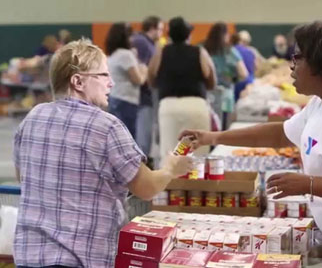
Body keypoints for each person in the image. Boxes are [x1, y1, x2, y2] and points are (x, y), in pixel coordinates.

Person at [180, 21, 322, 267]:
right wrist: (213, 137)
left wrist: (309, 184)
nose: (292, 66)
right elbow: (281, 134)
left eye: (298, 57)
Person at [13, 39, 192, 267]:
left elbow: (24, 178)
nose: (111, 83)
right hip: (80, 259)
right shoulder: (106, 127)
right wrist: (170, 169)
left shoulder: (32, 118)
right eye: (104, 76)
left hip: (30, 258)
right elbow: (146, 188)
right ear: (78, 81)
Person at [148, 16, 216, 162]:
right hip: (196, 105)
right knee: (198, 155)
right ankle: (198, 184)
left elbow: (151, 79)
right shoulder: (199, 52)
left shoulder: (161, 52)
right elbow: (212, 81)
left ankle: (169, 184)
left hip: (169, 106)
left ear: (169, 34)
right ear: (189, 34)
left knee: (170, 154)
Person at [106, 23, 148, 139]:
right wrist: (144, 69)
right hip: (126, 102)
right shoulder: (126, 55)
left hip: (115, 98)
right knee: (128, 138)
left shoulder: (113, 54)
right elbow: (138, 79)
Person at [131, 16, 164, 159]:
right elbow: (141, 68)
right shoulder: (141, 42)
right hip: (142, 97)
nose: (162, 33)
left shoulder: (150, 44)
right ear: (152, 28)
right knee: (143, 139)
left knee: (146, 137)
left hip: (148, 96)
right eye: (161, 29)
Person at [204, 22, 248, 129]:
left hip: (207, 95)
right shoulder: (230, 51)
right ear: (225, 35)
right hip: (225, 96)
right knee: (223, 131)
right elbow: (244, 73)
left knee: (207, 128)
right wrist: (232, 79)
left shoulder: (204, 49)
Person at [231, 33, 256, 102]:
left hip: (236, 83)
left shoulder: (231, 51)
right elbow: (255, 67)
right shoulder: (251, 52)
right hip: (249, 83)